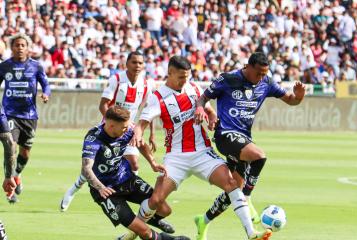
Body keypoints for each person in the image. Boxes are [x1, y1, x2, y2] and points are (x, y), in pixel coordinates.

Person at [121, 55, 271, 240]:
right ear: (170, 73)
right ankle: (132, 232)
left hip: (203, 152)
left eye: (187, 76)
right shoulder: (158, 97)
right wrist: (137, 134)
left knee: (232, 184)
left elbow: (207, 108)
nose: (185, 80)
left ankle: (251, 233)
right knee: (156, 200)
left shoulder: (193, 87)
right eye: (181, 77)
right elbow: (142, 123)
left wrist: (212, 118)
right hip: (176, 157)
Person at [193, 52, 305, 240]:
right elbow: (203, 98)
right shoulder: (228, 79)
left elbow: (291, 100)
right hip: (225, 135)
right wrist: (199, 108)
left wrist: (299, 97)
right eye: (258, 73)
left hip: (243, 139)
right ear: (248, 66)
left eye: (264, 74)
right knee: (260, 156)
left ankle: (203, 221)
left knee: (233, 189)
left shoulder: (266, 83)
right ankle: (248, 197)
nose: (260, 77)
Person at [60, 51, 174, 233]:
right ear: (127, 63)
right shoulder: (117, 80)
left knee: (130, 162)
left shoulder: (146, 84)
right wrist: (111, 125)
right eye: (134, 62)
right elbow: (103, 104)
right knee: (96, 164)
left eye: (140, 63)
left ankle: (138, 209)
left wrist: (150, 134)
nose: (137, 66)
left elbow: (148, 110)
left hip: (130, 128)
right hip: (112, 127)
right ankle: (74, 189)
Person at [82, 106, 189, 240]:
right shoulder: (94, 138)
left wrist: (153, 163)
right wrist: (100, 188)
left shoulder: (127, 129)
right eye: (124, 127)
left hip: (126, 179)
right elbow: (86, 169)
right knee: (145, 233)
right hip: (106, 192)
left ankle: (135, 228)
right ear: (111, 126)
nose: (127, 129)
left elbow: (141, 143)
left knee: (164, 210)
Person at [0, 33, 50, 203]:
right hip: (9, 113)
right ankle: (10, 190)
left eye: (23, 45)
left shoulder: (36, 66)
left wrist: (46, 93)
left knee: (25, 152)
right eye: (16, 45)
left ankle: (17, 175)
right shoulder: (4, 66)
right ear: (11, 47)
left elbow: (45, 84)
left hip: (29, 115)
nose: (19, 48)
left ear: (27, 48)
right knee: (10, 147)